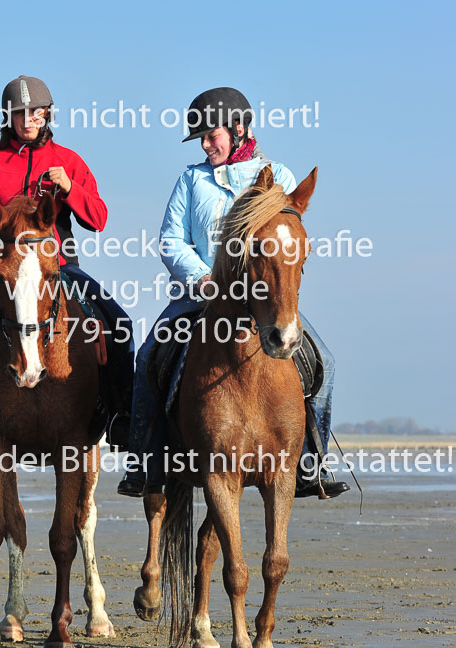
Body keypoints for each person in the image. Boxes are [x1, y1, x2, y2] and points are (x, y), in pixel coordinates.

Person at [117, 86, 348, 499]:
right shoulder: (191, 180)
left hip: (267, 299)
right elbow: (170, 239)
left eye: (212, 135)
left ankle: (311, 461)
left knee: (324, 362)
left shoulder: (280, 177)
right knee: (148, 354)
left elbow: (290, 240)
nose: (206, 145)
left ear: (239, 128)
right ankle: (145, 463)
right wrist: (201, 277)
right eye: (201, 139)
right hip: (199, 295)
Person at [0, 75, 133, 461]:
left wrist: (71, 188)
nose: (29, 120)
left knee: (119, 323)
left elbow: (99, 218)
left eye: (36, 112)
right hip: (4, 270)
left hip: (58, 267)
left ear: (47, 114)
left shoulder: (68, 160)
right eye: (20, 113)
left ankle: (119, 417)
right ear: (8, 117)